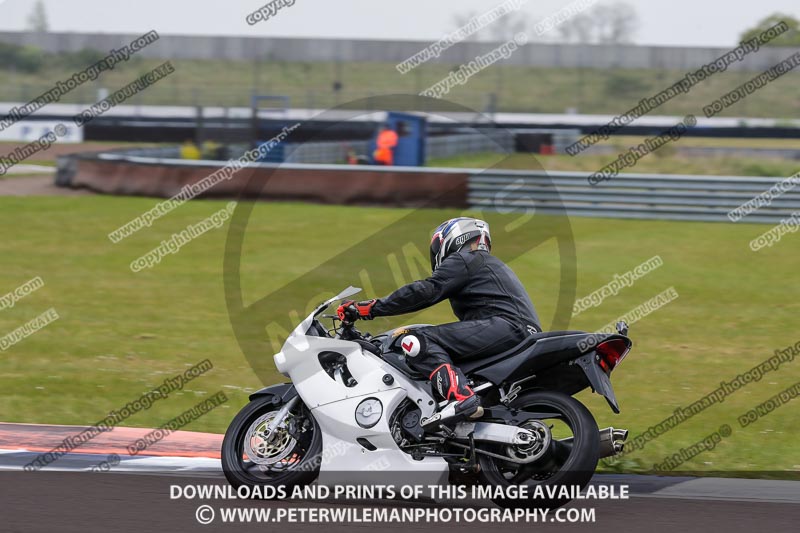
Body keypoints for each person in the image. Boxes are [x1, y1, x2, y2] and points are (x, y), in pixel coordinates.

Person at [337, 217, 541, 427]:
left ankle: (462, 397)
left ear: (453, 239)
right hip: (520, 332)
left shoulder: (465, 258)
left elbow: (426, 291)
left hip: (505, 327)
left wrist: (370, 308)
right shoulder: (489, 264)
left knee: (416, 341)